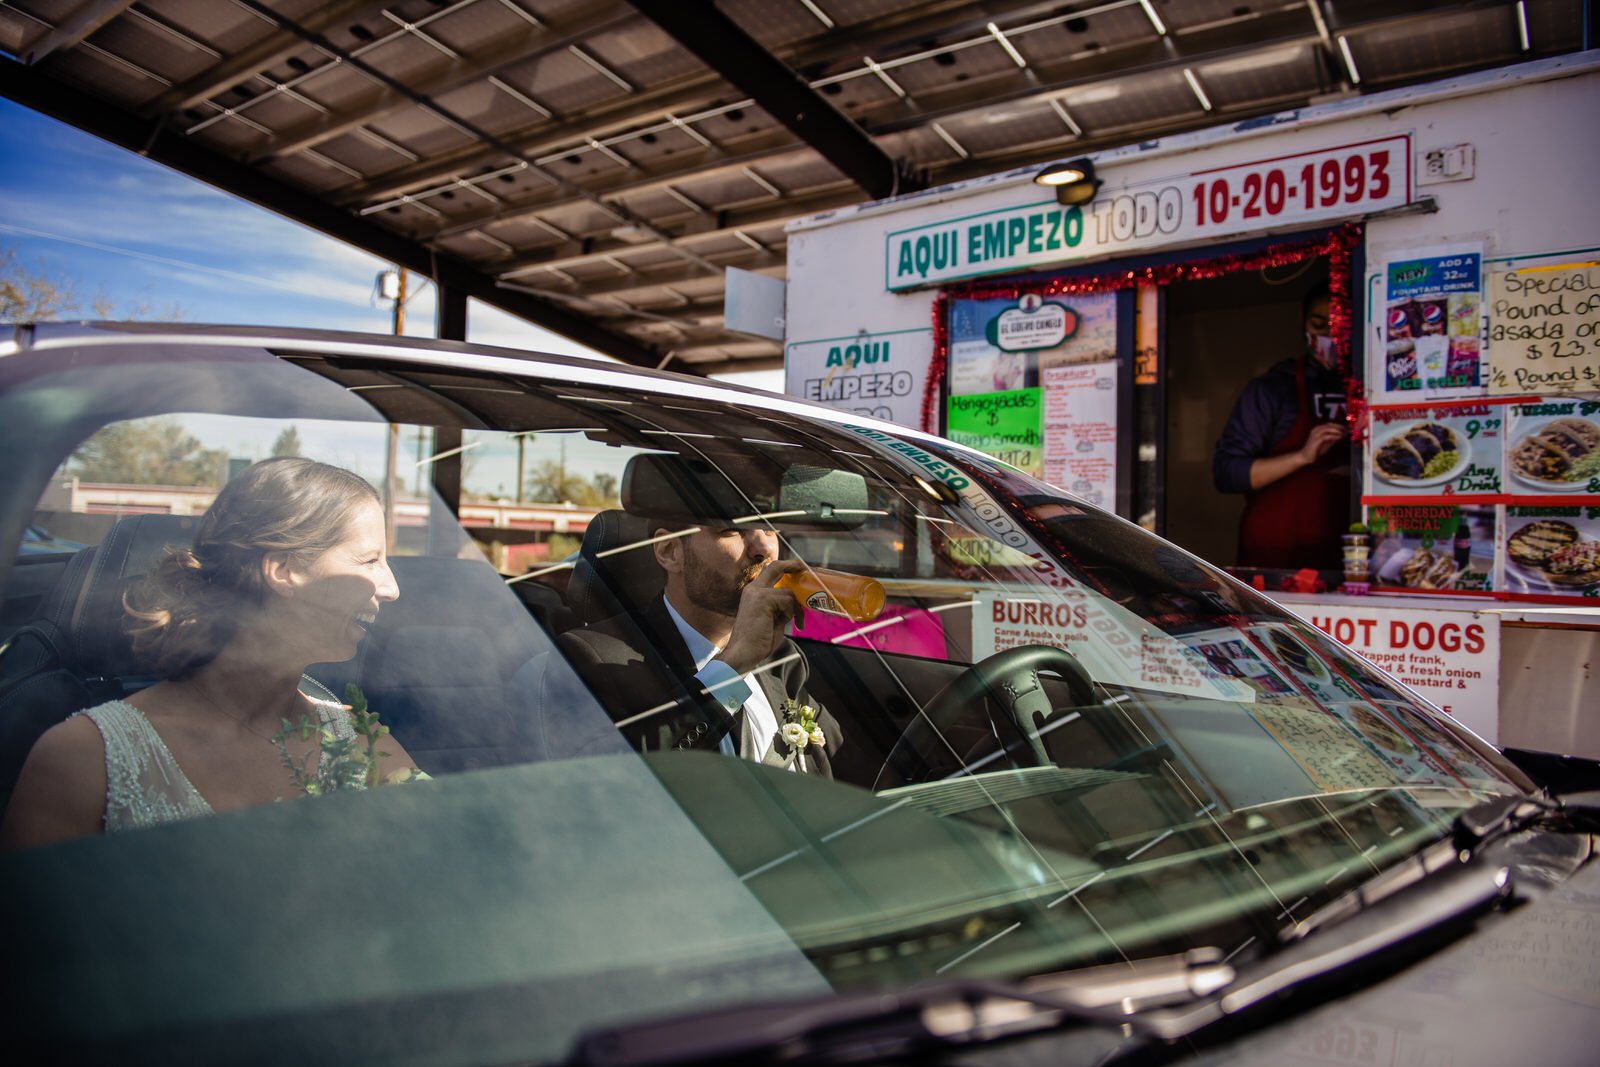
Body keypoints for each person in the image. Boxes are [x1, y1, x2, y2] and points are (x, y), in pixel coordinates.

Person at [0, 457, 421, 850]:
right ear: (284, 570)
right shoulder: (86, 758)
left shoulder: (358, 739)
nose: (391, 588)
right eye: (369, 560)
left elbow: (457, 856)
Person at [559, 520, 843, 777]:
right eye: (732, 531)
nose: (765, 549)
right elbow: (624, 785)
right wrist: (732, 669)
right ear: (670, 551)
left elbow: (831, 763)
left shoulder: (782, 656)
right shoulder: (592, 657)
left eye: (770, 529)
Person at [1212, 281, 1351, 570]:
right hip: (1276, 554)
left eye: (1339, 326)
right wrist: (1302, 457)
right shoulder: (1273, 388)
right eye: (1319, 324)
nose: (1328, 335)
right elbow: (1227, 474)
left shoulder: (1366, 388)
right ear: (1303, 323)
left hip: (1347, 555)